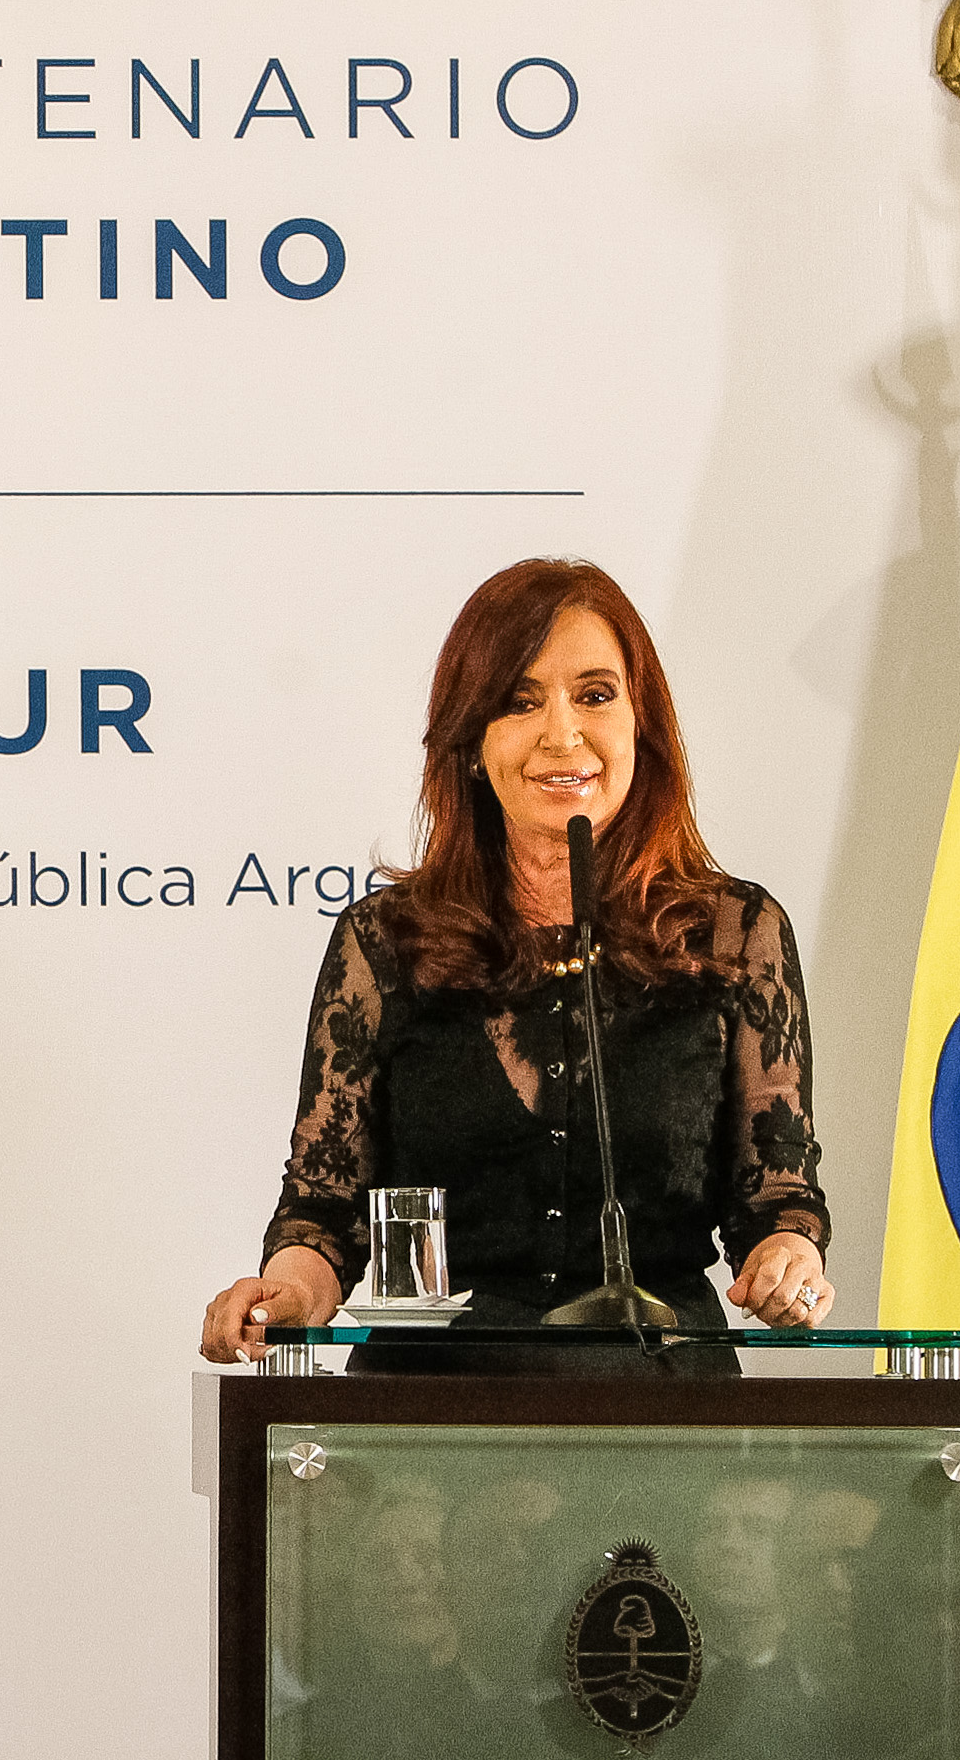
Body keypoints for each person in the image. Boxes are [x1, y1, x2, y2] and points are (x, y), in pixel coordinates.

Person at [198, 559, 830, 1374]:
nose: (562, 735)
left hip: (658, 1400)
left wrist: (788, 1261)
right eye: (520, 702)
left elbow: (777, 1200)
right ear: (472, 744)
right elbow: (324, 1212)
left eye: (594, 695)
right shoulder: (386, 941)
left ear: (641, 725)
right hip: (431, 1415)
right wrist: (286, 1294)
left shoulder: (735, 934)